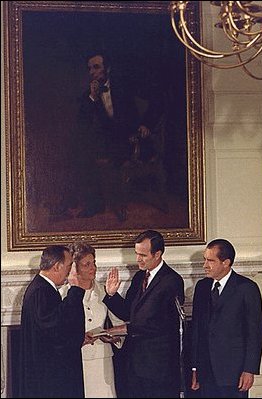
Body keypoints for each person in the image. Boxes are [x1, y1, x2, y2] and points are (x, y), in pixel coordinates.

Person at [72, 52, 162, 222]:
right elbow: (82, 122)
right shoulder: (89, 95)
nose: (92, 72)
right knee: (82, 152)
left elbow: (157, 99)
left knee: (105, 155)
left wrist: (147, 124)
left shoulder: (125, 85)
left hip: (135, 140)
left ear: (108, 69)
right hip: (111, 143)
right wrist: (92, 97)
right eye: (89, 68)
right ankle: (94, 204)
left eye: (96, 67)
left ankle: (117, 204)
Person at [103, 230, 185, 398]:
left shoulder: (172, 281)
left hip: (159, 370)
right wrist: (112, 294)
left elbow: (157, 324)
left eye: (143, 255)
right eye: (136, 253)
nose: (138, 259)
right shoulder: (140, 276)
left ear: (157, 254)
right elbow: (128, 312)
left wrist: (114, 331)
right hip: (136, 365)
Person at [191, 238, 262, 398]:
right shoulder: (202, 287)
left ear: (226, 262)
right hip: (206, 372)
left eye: (210, 260)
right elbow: (196, 329)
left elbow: (255, 333)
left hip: (234, 373)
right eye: (205, 259)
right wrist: (195, 368)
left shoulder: (247, 288)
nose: (205, 265)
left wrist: (249, 370)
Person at [19, 245, 87, 398]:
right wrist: (75, 291)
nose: (70, 272)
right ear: (57, 266)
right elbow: (56, 328)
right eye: (69, 266)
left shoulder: (43, 288)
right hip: (50, 377)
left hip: (47, 373)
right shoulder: (41, 291)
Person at [60, 241, 125, 398]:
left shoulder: (105, 291)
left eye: (93, 263)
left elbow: (120, 325)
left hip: (103, 362)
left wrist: (113, 337)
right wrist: (77, 339)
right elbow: (59, 333)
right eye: (86, 264)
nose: (93, 268)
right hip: (76, 360)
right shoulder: (63, 294)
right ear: (75, 268)